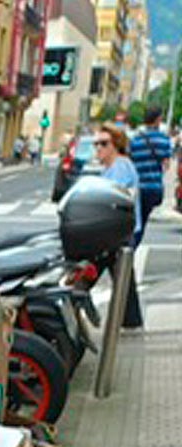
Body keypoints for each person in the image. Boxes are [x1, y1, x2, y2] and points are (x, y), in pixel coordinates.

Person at [94, 122, 144, 328]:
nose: (98, 148)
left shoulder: (121, 167)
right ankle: (131, 322)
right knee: (124, 280)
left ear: (115, 145)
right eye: (96, 143)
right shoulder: (112, 168)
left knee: (86, 274)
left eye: (103, 143)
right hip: (116, 231)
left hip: (117, 233)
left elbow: (113, 199)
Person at [129, 106, 170, 241]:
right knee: (142, 222)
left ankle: (129, 250)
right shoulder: (164, 140)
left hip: (136, 188)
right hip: (153, 188)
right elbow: (166, 165)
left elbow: (130, 161)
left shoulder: (135, 140)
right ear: (158, 119)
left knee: (134, 223)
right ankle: (133, 248)